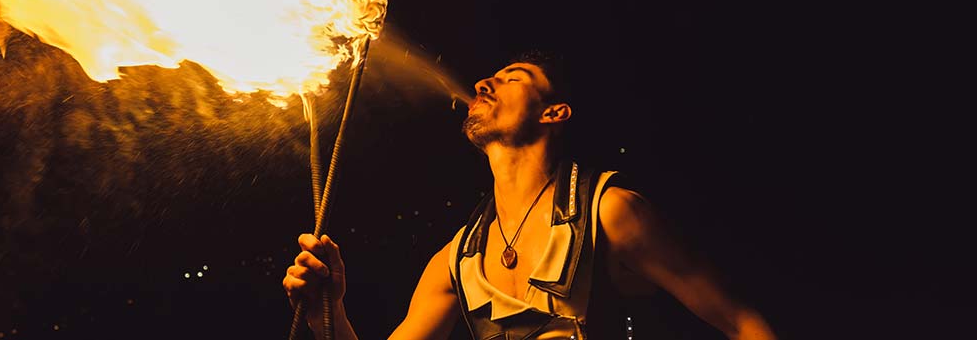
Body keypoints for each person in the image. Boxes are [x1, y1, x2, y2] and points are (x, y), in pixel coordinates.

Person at [283, 50, 778, 339]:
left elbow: (741, 321)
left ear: (554, 113)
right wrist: (331, 310)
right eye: (491, 77)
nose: (484, 82)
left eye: (513, 78)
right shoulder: (457, 259)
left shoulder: (611, 212)